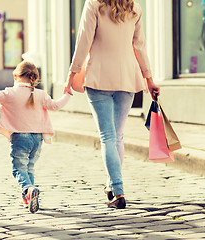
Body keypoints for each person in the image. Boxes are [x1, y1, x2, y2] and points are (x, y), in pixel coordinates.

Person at [65, 0, 160, 209]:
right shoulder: (134, 7)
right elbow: (139, 46)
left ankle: (118, 191)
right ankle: (111, 185)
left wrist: (72, 74)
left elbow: (83, 41)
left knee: (108, 136)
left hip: (99, 76)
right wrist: (149, 78)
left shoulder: (93, 4)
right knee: (117, 136)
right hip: (127, 77)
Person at [0, 61, 72, 213]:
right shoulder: (41, 94)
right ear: (35, 79)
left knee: (18, 169)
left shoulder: (10, 93)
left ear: (16, 76)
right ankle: (27, 198)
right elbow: (56, 105)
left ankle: (28, 189)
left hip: (20, 138)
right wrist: (68, 94)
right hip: (37, 139)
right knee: (29, 167)